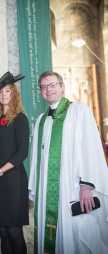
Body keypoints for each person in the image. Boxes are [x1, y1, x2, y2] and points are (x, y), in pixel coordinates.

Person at [29, 71, 108, 254]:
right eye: (43, 87)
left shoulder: (79, 111)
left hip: (71, 188)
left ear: (62, 87)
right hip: (47, 191)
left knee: (78, 237)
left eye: (52, 85)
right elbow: (36, 158)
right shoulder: (41, 120)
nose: (48, 90)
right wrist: (35, 188)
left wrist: (86, 184)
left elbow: (90, 147)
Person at [0, 71, 29, 254]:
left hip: (13, 180)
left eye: (7, 91)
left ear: (14, 94)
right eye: (1, 92)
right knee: (3, 232)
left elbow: (22, 153)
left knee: (14, 231)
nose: (4, 95)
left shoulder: (20, 119)